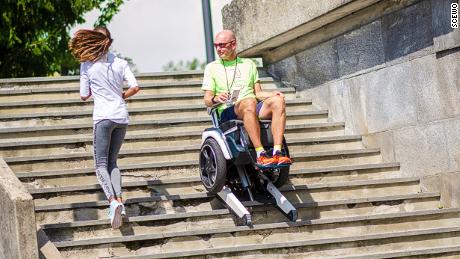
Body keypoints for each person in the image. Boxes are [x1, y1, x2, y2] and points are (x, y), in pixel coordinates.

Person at [69, 27, 140, 229]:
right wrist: (120, 96)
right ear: (109, 41)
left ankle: (112, 202)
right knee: (112, 162)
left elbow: (84, 95)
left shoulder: (87, 64)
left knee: (100, 164)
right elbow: (135, 86)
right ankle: (120, 201)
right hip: (121, 117)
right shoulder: (120, 62)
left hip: (102, 117)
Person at [201, 30, 291, 168]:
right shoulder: (211, 68)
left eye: (222, 45)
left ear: (233, 44)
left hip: (252, 105)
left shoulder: (248, 64)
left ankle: (277, 152)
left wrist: (273, 94)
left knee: (278, 101)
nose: (218, 49)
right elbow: (207, 99)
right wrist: (216, 98)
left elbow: (258, 93)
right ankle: (260, 154)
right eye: (216, 45)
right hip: (228, 111)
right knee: (249, 102)